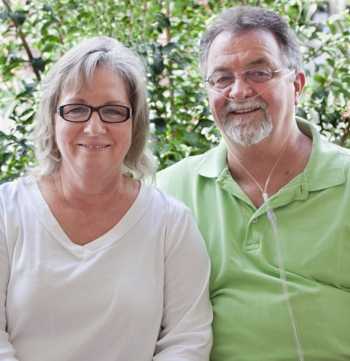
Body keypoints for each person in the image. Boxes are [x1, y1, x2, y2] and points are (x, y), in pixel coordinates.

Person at [0, 36, 212, 361]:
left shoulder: (171, 223)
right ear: (52, 119)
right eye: (77, 109)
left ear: (134, 123)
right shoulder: (7, 211)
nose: (94, 126)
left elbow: (188, 339)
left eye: (113, 111)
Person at [157, 6, 350, 361]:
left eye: (258, 72)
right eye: (221, 78)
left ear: (297, 85)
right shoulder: (169, 192)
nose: (239, 91)